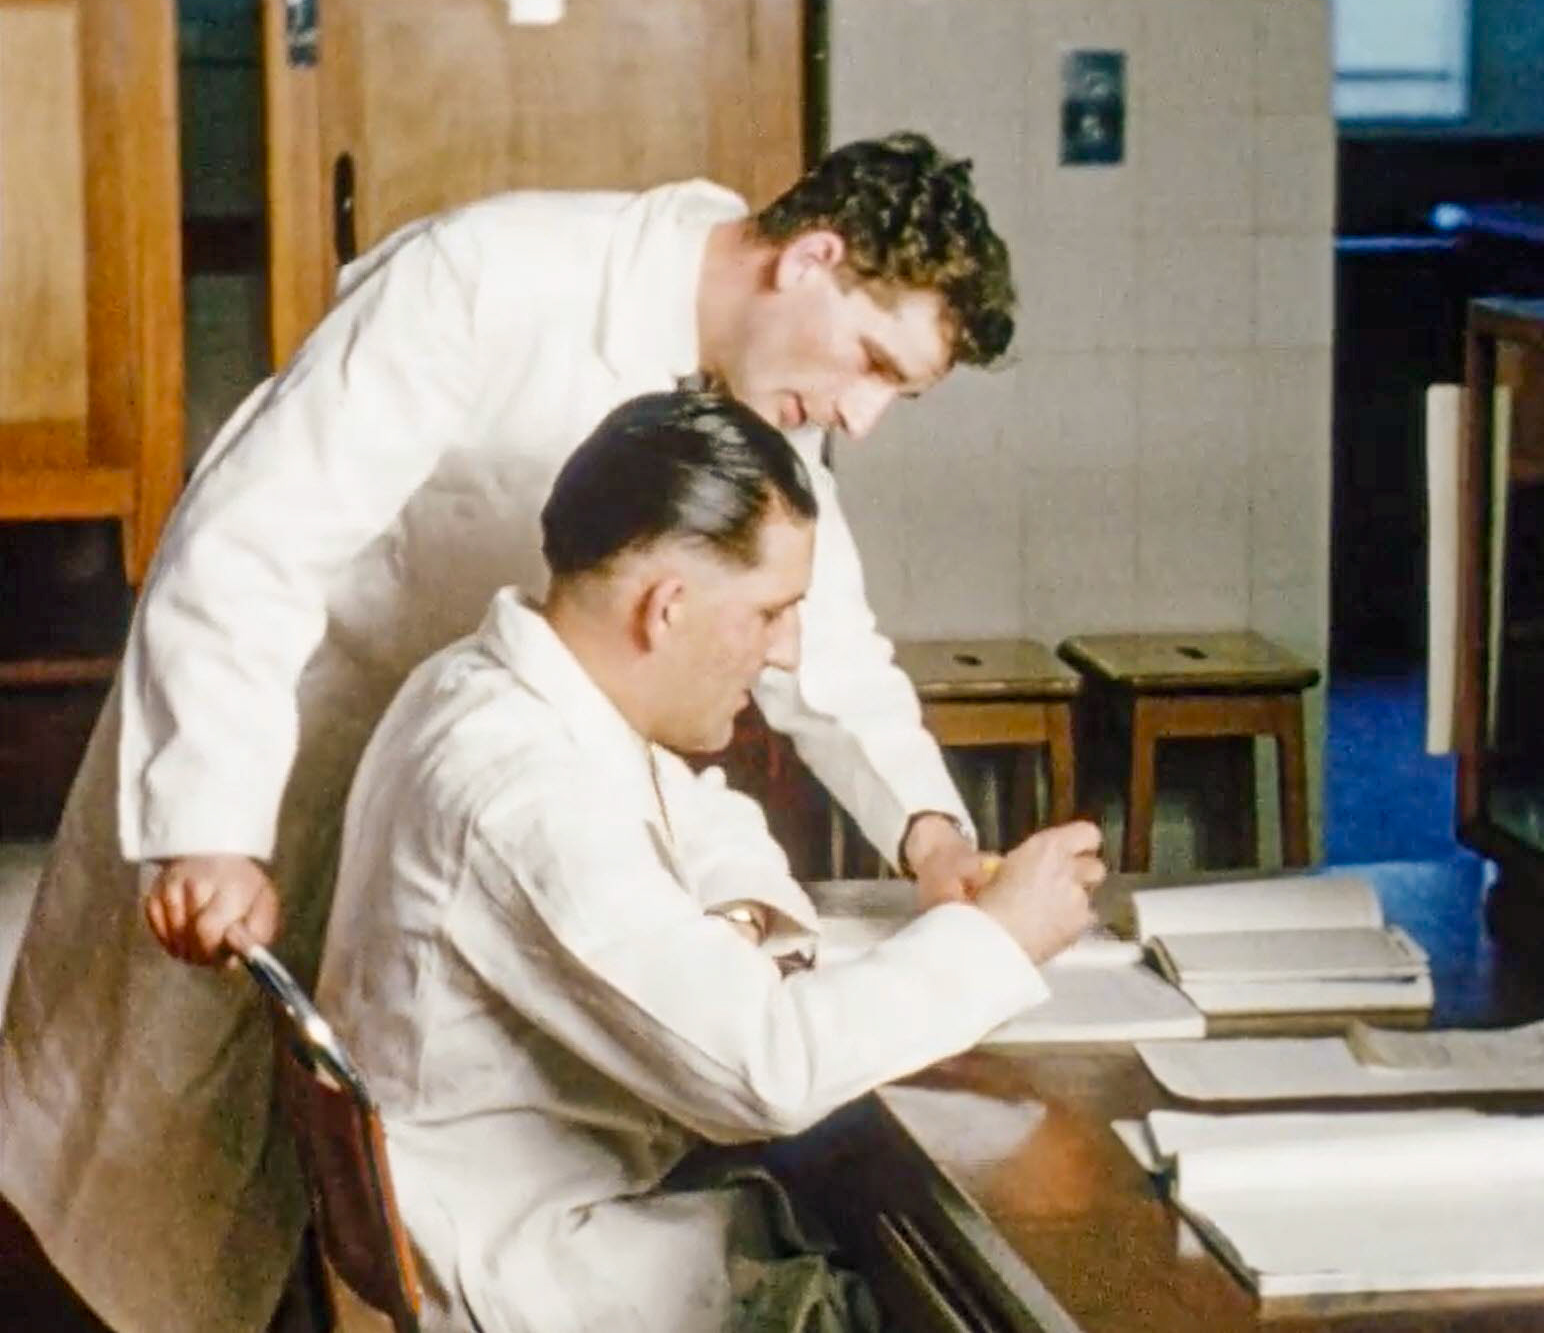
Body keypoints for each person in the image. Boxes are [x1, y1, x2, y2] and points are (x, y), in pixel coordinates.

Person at [0, 133, 1015, 1333]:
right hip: (268, 756)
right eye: (873, 363)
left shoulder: (763, 393)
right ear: (812, 259)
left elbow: (823, 637)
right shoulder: (485, 276)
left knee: (352, 1203)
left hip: (458, 812)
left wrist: (933, 837)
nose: (863, 415)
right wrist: (210, 826)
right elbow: (251, 536)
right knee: (145, 1206)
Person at [316, 392, 1102, 1332]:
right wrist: (998, 937)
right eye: (772, 612)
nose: (787, 651)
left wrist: (732, 922)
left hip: (524, 1213)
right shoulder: (523, 790)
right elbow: (766, 1072)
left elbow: (711, 819)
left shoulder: (495, 687)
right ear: (668, 608)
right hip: (532, 1274)